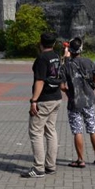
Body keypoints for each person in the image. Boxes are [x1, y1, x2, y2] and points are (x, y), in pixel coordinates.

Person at [21, 32, 63, 178]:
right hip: (56, 97)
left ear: (40, 43)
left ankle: (39, 167)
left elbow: (40, 80)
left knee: (36, 132)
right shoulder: (56, 56)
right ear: (54, 43)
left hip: (44, 99)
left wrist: (34, 100)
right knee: (51, 131)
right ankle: (51, 165)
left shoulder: (42, 58)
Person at [59, 37, 95, 168]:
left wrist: (68, 93)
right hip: (89, 100)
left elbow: (62, 86)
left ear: (69, 50)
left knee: (77, 131)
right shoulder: (89, 62)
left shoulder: (65, 66)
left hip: (74, 102)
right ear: (81, 49)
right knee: (92, 128)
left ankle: (80, 159)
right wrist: (92, 86)